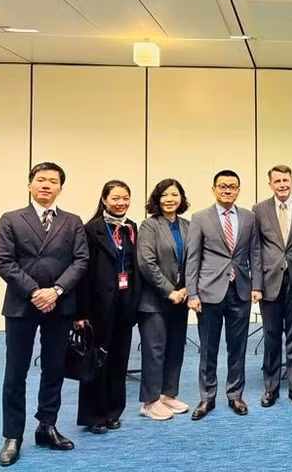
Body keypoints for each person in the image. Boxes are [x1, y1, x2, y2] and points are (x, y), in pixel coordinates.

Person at [0, 162, 89, 467]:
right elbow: (4, 262)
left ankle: (47, 425)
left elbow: (81, 260)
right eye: (41, 180)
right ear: (30, 185)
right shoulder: (11, 219)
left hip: (60, 305)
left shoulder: (73, 221)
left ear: (61, 187)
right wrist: (36, 292)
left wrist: (57, 291)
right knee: (16, 371)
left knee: (54, 368)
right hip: (23, 304)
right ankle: (13, 435)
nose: (46, 185)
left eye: (53, 181)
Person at [185, 170, 262, 421]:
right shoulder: (200, 218)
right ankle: (207, 397)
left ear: (238, 190)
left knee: (237, 347)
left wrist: (257, 286)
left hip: (239, 290)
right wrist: (192, 293)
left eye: (232, 187)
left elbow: (255, 254)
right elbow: (193, 258)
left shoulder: (249, 218)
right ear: (214, 189)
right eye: (222, 186)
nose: (227, 190)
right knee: (208, 348)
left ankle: (235, 394)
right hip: (208, 292)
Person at [75, 180, 141, 434]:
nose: (121, 202)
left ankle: (114, 411)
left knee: (118, 360)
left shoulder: (130, 228)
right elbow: (82, 273)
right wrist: (80, 313)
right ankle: (94, 415)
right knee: (96, 361)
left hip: (124, 304)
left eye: (125, 197)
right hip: (97, 306)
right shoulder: (90, 230)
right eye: (115, 198)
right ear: (104, 200)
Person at [253, 165, 292, 408]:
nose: (282, 185)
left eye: (286, 180)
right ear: (270, 184)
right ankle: (270, 388)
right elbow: (255, 250)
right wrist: (256, 284)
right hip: (270, 282)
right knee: (271, 336)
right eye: (277, 181)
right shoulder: (259, 210)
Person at [136, 178, 191, 421]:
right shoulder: (149, 226)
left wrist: (188, 288)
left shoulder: (188, 225)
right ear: (157, 199)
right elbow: (146, 263)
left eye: (175, 194)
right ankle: (149, 401)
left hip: (182, 298)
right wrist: (169, 291)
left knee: (175, 348)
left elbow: (195, 259)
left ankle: (168, 394)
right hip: (155, 300)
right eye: (165, 195)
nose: (170, 199)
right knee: (155, 350)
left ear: (182, 199)